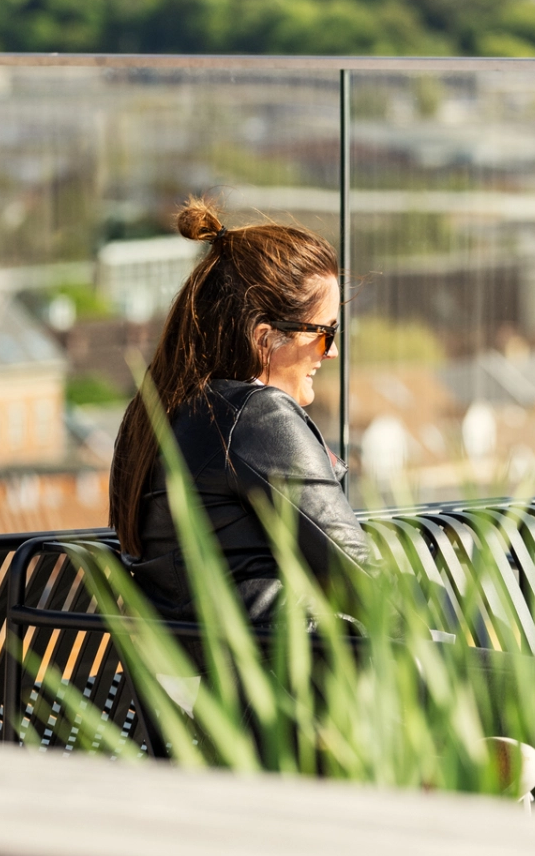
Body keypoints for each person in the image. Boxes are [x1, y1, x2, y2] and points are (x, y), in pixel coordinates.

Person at [108, 198, 370, 624]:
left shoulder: (157, 413)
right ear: (265, 337)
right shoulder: (255, 418)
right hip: (280, 675)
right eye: (326, 333)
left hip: (187, 675)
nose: (334, 351)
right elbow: (361, 575)